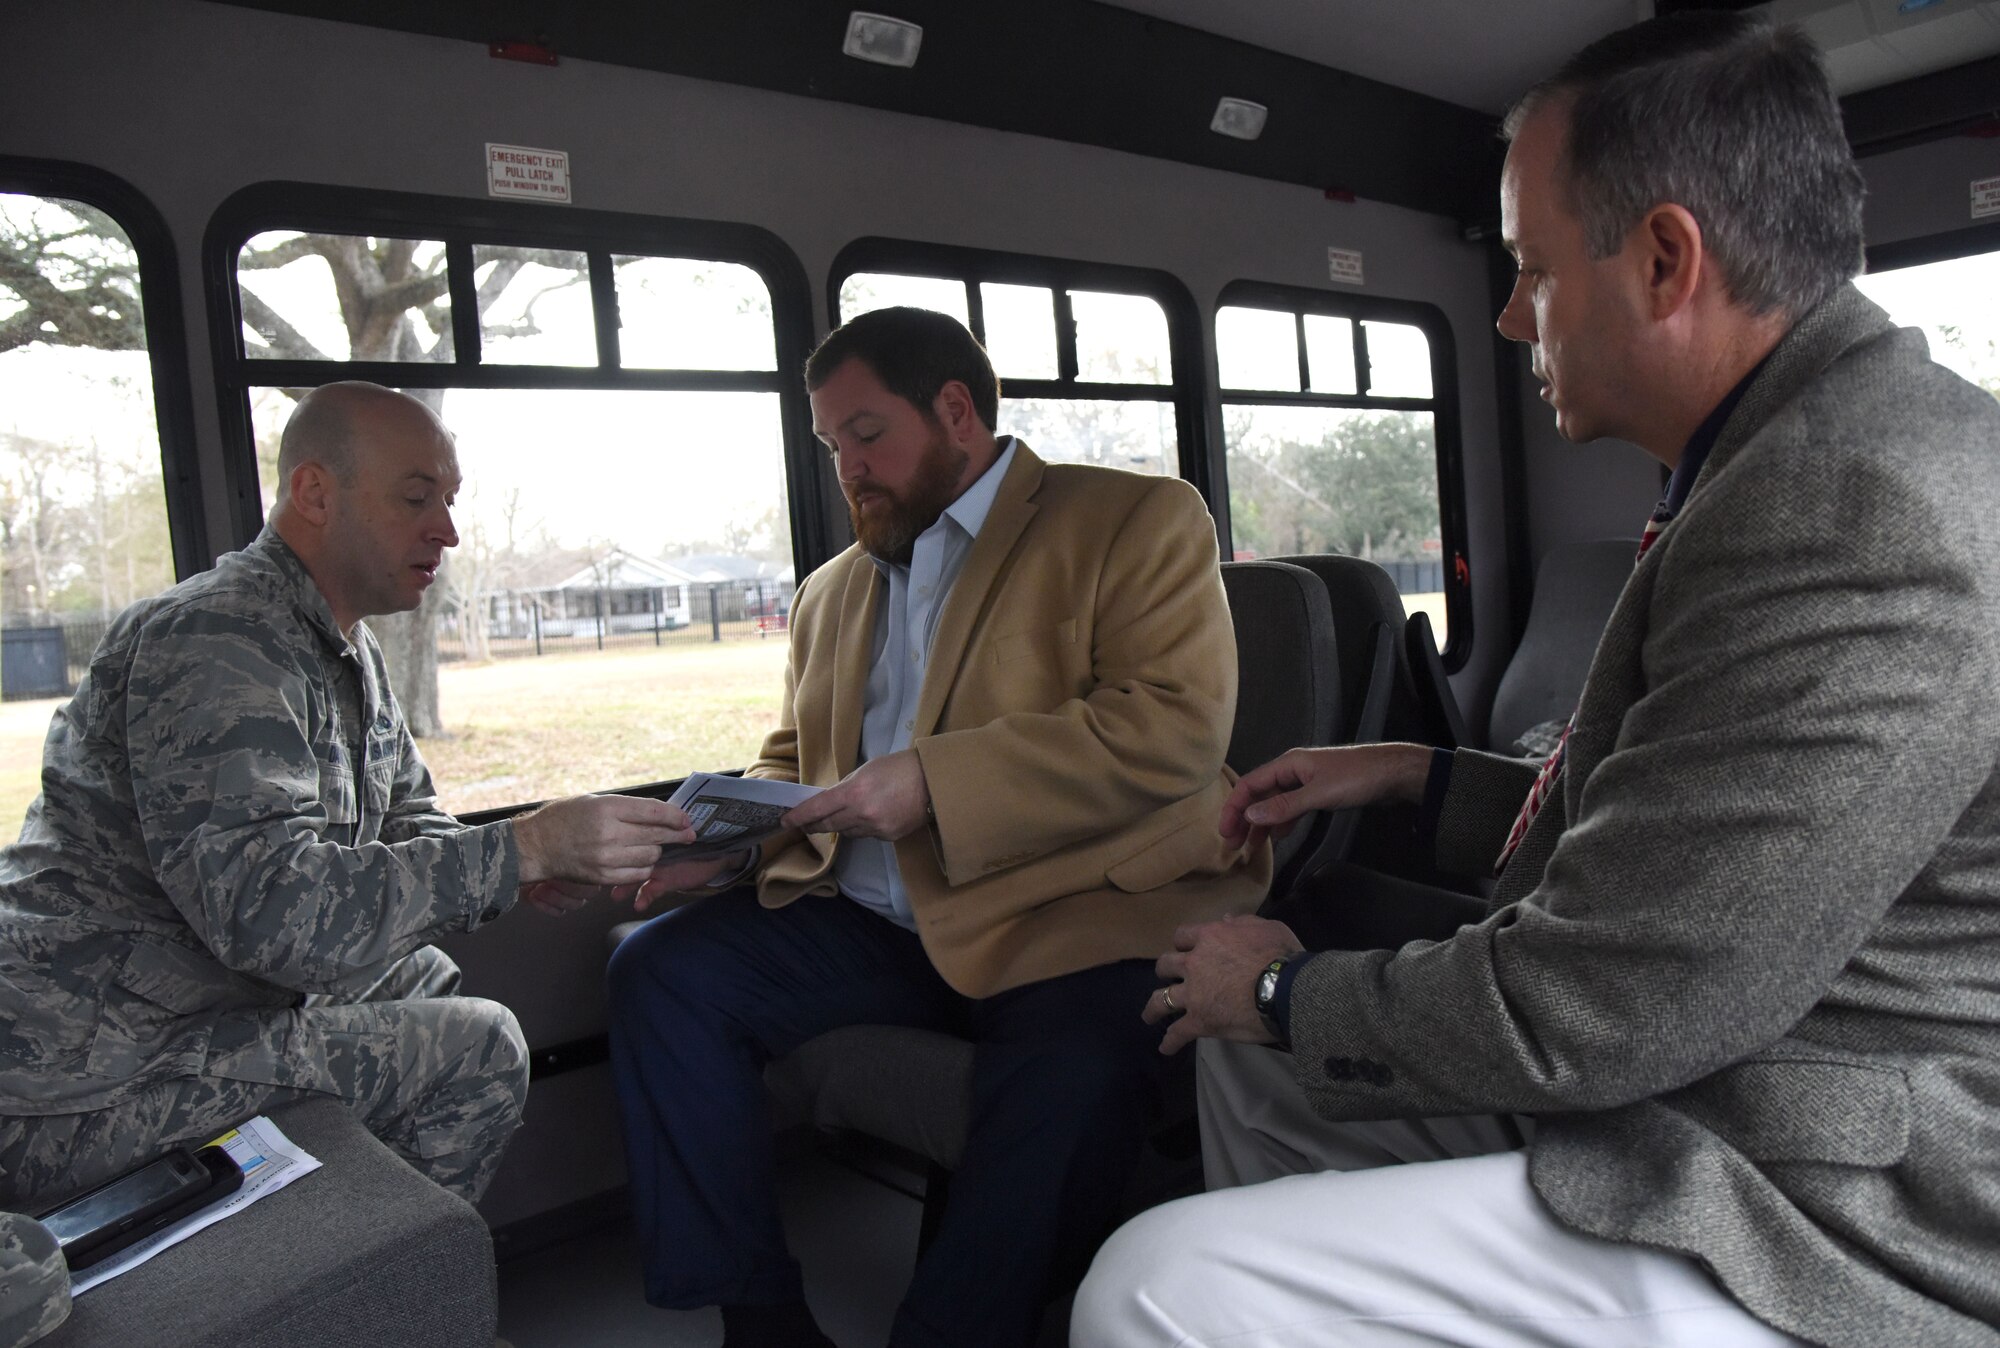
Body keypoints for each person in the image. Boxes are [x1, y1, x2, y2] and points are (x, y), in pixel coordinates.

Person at [1075, 13, 2000, 1348]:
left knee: (1156, 1284)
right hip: (1705, 1068)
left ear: (1667, 260)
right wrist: (1416, 773)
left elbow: (1616, 1004)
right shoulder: (1798, 451)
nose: (1510, 316)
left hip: (1821, 1184)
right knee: (1251, 1070)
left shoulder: (1850, 509)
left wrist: (1285, 988)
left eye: (1531, 269)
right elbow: (1683, 826)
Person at [604, 306, 1269, 1348]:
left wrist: (931, 782)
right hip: (879, 919)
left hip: (1074, 915)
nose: (847, 468)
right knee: (657, 970)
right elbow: (797, 764)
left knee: (1072, 1078)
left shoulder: (1131, 519)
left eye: (865, 434)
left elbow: (1172, 725)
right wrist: (724, 844)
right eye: (830, 446)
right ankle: (761, 1320)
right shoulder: (830, 592)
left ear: (955, 409)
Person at [0, 381, 696, 1209]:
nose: (448, 529)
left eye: (449, 500)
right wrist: (526, 846)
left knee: (429, 978)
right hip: (84, 1079)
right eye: (417, 497)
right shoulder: (216, 641)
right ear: (315, 493)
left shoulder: (339, 648)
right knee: (480, 1049)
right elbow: (269, 917)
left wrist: (528, 869)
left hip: (196, 1009)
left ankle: (344, 1266)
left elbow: (407, 824)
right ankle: (386, 1301)